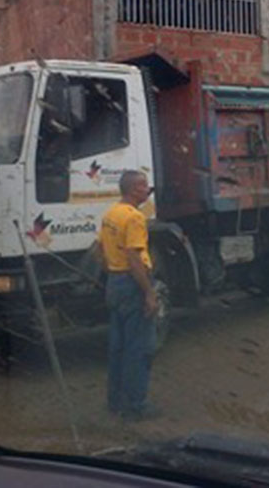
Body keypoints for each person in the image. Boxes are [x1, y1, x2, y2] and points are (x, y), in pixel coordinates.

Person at [98, 170, 159, 421]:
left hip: (115, 281)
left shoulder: (111, 213)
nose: (148, 190)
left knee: (118, 347)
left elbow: (98, 250)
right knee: (139, 348)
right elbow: (134, 258)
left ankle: (115, 401)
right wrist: (149, 293)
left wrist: (112, 275)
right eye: (144, 186)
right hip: (132, 284)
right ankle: (136, 406)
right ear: (134, 189)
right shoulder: (134, 217)